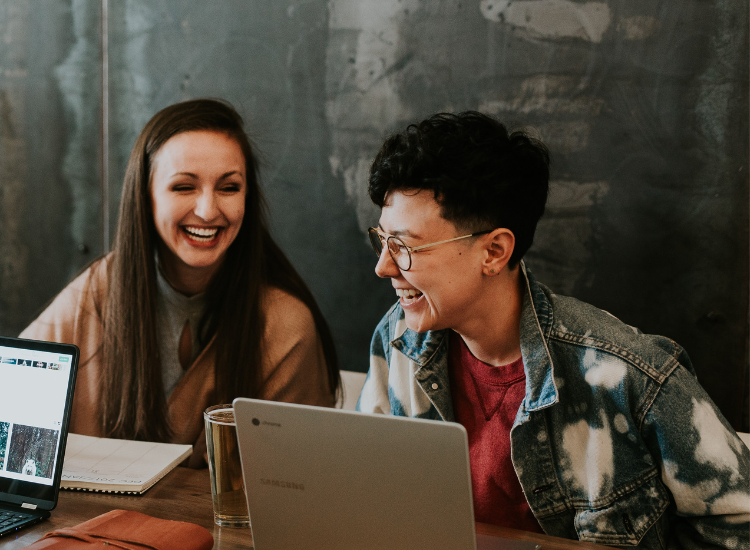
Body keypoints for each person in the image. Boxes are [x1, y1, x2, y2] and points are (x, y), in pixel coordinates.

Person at [357, 111, 749, 549]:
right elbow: (367, 492)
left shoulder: (630, 376)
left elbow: (740, 527)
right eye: (382, 240)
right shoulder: (398, 341)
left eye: (405, 247)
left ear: (494, 251)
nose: (383, 266)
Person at [22, 98, 339, 467]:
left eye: (229, 187)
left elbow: (299, 483)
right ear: (146, 196)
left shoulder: (286, 325)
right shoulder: (96, 293)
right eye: (184, 187)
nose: (208, 210)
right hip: (88, 524)